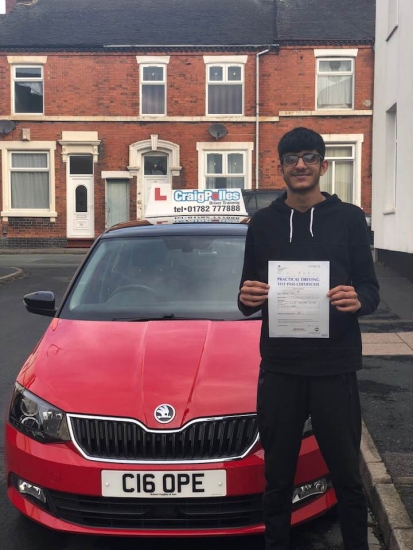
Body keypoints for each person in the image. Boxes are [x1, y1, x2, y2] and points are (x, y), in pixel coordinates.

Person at [238, 127, 380, 550]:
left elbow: (371, 289)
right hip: (281, 368)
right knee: (277, 479)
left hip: (334, 367)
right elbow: (247, 294)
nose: (300, 165)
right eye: (291, 158)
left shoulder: (350, 218)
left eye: (308, 157)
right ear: (280, 167)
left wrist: (359, 299)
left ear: (323, 164)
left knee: (347, 478)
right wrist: (246, 298)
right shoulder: (263, 223)